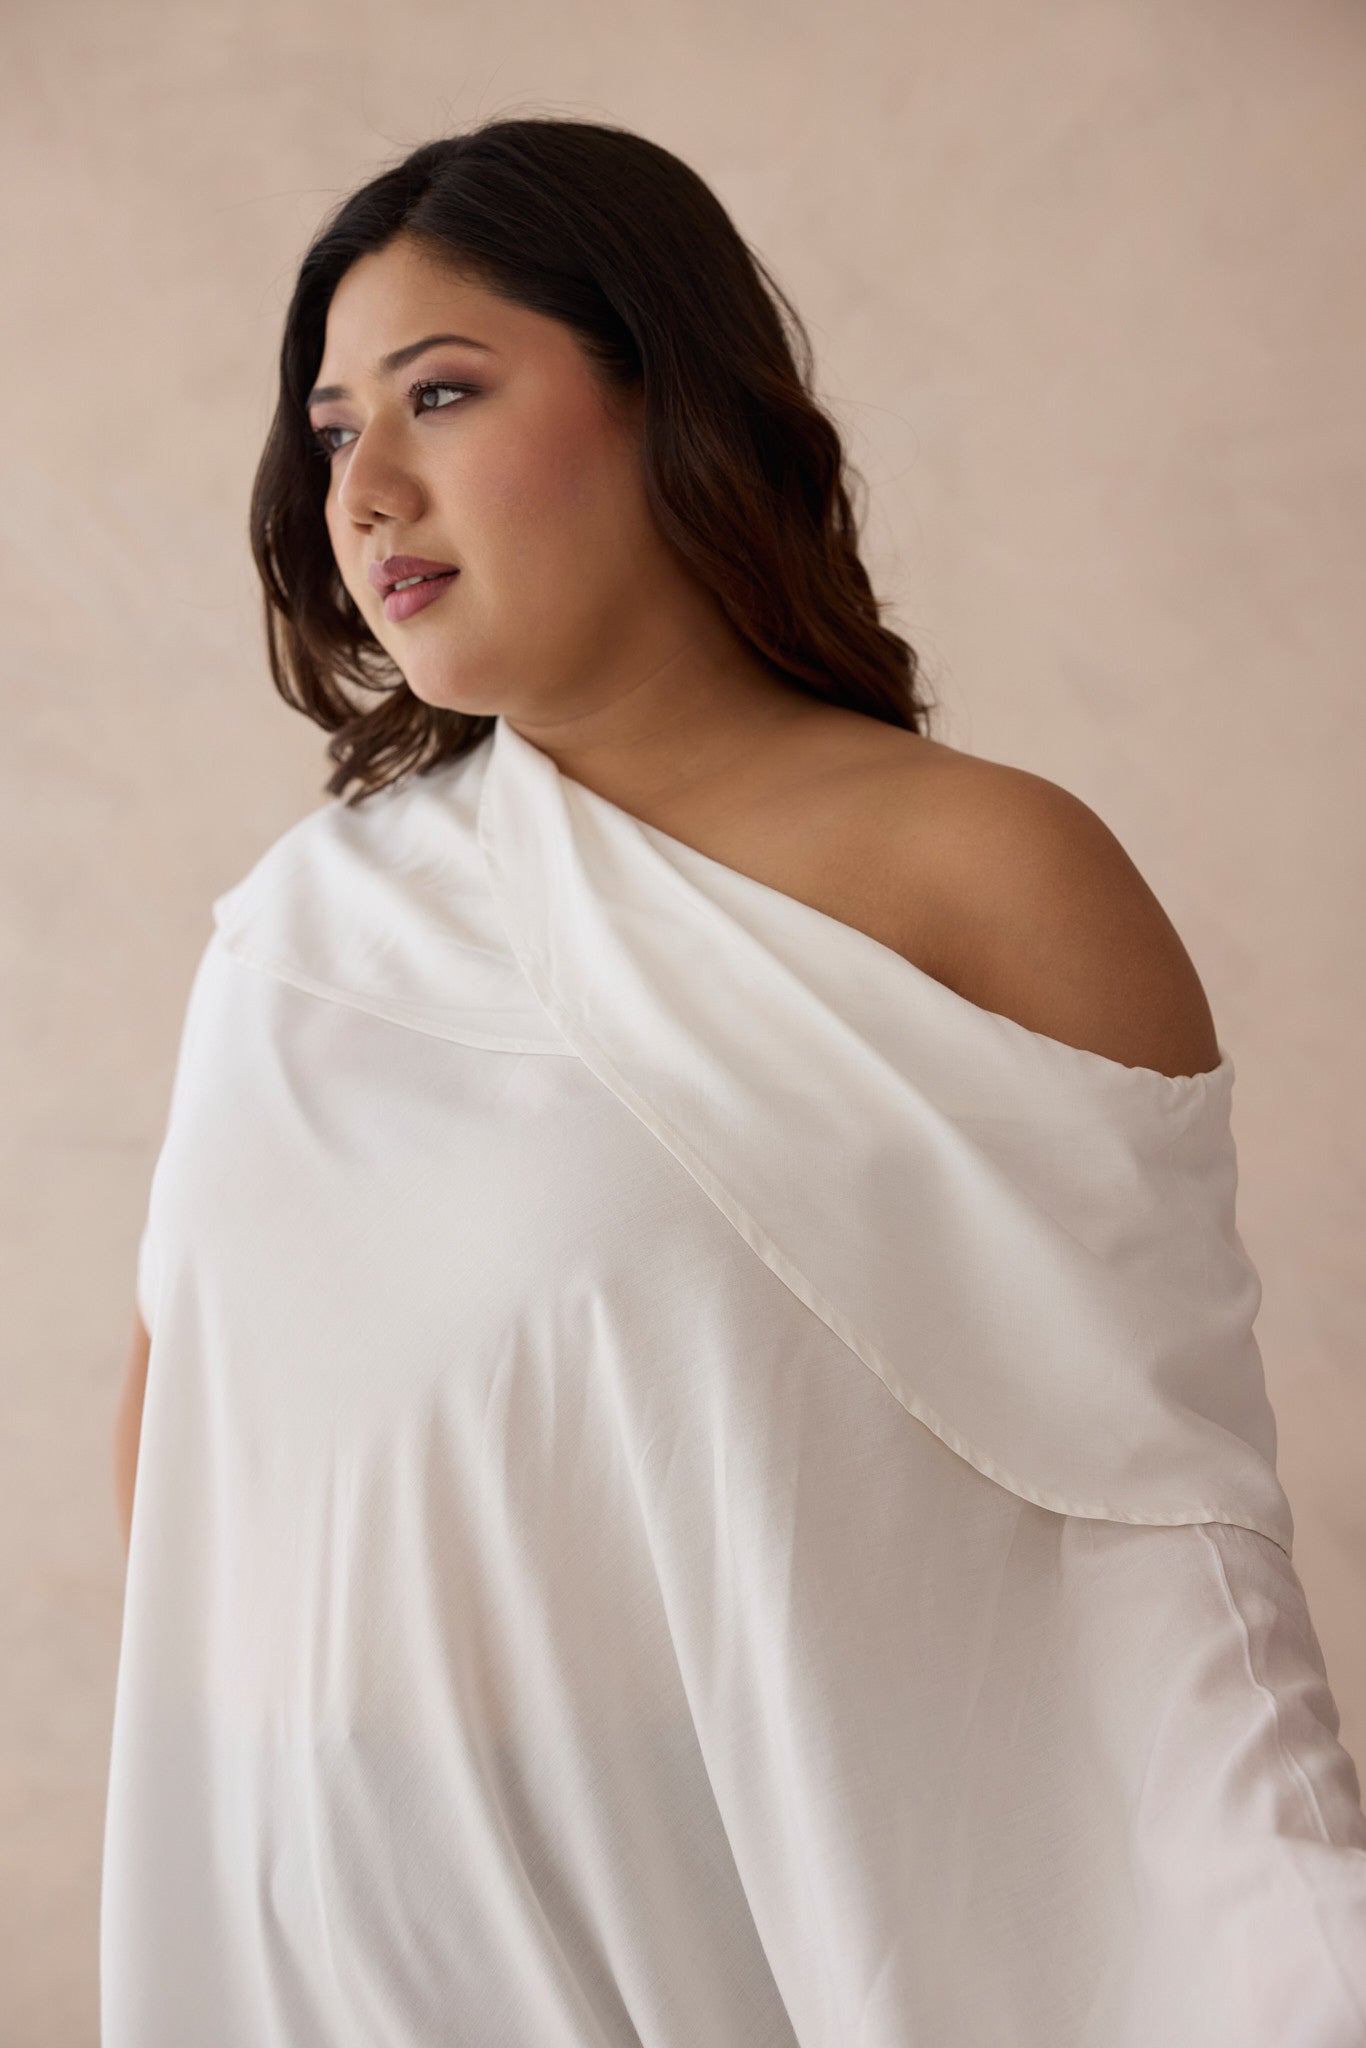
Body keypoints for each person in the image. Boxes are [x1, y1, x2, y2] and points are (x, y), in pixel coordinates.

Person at [102, 116, 1366, 2046]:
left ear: (663, 394)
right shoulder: (309, 932)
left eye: (441, 393)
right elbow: (196, 1458)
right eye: (333, 429)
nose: (365, 489)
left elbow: (1152, 1519)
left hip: (778, 1925)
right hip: (364, 1946)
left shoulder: (984, 873)